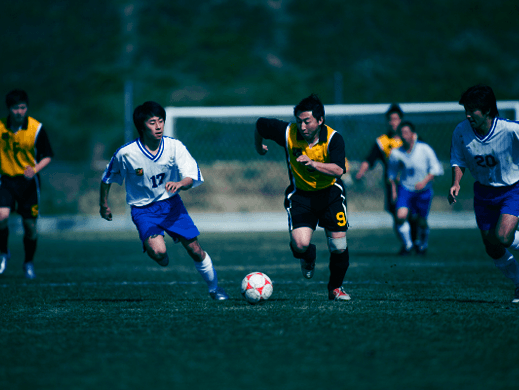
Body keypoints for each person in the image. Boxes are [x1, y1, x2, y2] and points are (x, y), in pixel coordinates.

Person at [100, 101, 229, 301]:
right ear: (142, 126)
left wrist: (180, 184)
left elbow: (190, 176)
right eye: (152, 122)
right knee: (159, 253)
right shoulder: (126, 153)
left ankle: (215, 289)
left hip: (171, 205)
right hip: (142, 210)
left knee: (195, 249)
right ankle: (159, 251)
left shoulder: (174, 146)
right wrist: (104, 205)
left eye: (161, 121)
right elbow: (107, 178)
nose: (159, 126)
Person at [254, 94, 351, 301]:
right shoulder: (289, 132)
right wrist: (258, 146)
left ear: (320, 120)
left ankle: (335, 288)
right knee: (300, 245)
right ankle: (308, 256)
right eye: (299, 121)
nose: (302, 126)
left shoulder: (334, 138)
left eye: (307, 121)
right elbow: (260, 125)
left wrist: (313, 163)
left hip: (330, 195)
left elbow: (338, 169)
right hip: (301, 197)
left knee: (338, 246)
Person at [449, 84, 519, 304]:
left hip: (512, 189)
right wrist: (456, 183)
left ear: (487, 110)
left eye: (473, 109)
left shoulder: (509, 129)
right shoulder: (461, 131)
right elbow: (458, 160)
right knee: (492, 246)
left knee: (503, 236)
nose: (468, 114)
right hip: (483, 193)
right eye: (466, 109)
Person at [0, 90, 54, 279]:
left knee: (30, 227)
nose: (19, 111)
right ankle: (3, 252)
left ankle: (28, 262)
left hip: (28, 184)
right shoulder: (0, 128)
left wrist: (35, 169)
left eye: (23, 107)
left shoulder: (36, 128)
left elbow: (48, 155)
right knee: (1, 216)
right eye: (16, 108)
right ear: (9, 109)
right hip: (6, 180)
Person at [355, 104, 419, 246]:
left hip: (411, 182)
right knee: (397, 214)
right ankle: (408, 244)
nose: (393, 122)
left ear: (401, 120)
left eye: (396, 119)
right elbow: (370, 158)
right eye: (390, 119)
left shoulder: (410, 139)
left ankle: (415, 242)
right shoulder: (382, 141)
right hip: (392, 183)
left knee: (412, 214)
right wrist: (360, 172)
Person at [387, 121, 443, 255]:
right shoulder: (396, 153)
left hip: (423, 190)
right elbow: (392, 174)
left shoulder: (424, 149)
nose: (404, 135)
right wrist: (394, 191)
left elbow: (436, 169)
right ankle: (408, 245)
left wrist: (424, 182)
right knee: (400, 216)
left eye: (407, 132)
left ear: (413, 134)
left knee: (422, 221)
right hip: (405, 189)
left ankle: (423, 245)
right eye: (402, 133)